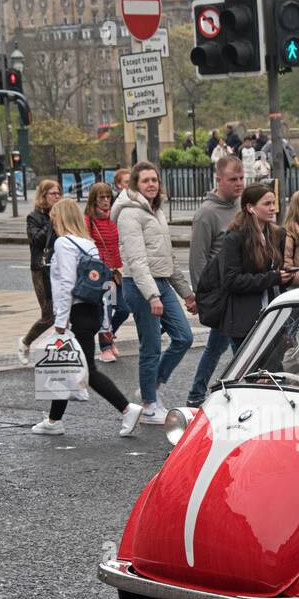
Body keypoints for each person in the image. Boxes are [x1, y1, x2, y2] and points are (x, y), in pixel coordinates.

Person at [31, 199, 143, 438]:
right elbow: (102, 284)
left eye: (53, 217)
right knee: (65, 364)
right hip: (92, 311)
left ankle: (127, 409)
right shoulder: (88, 244)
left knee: (86, 369)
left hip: (77, 313)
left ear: (60, 218)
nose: (51, 221)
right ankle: (53, 421)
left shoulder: (63, 243)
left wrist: (60, 322)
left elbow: (65, 285)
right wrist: (105, 324)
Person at [111, 161, 196, 424]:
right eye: (146, 180)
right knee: (151, 347)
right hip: (140, 286)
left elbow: (166, 257)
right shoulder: (129, 214)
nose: (151, 184)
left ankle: (152, 386)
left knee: (184, 337)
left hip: (162, 283)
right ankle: (148, 406)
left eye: (154, 180)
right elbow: (136, 261)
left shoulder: (155, 210)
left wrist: (187, 293)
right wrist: (152, 296)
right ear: (135, 184)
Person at [187, 155, 245, 407]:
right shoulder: (206, 213)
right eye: (233, 179)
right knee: (239, 347)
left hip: (238, 290)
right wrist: (202, 296)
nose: (239, 183)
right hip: (220, 294)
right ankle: (235, 393)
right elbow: (197, 258)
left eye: (242, 178)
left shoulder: (241, 207)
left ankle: (198, 394)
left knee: (221, 346)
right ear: (218, 180)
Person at [217, 184, 295, 349]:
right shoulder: (235, 237)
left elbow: (275, 275)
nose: (273, 208)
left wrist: (285, 277)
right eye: (267, 204)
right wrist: (273, 277)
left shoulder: (277, 234)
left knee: (273, 372)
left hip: (273, 317)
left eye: (273, 203)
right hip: (245, 320)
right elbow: (231, 281)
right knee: (248, 374)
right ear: (250, 207)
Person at [16, 179, 61, 365]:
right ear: (44, 196)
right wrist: (51, 221)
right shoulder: (34, 217)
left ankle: (58, 348)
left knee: (66, 311)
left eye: (59, 193)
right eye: (53, 194)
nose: (57, 197)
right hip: (41, 269)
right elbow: (36, 241)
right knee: (48, 316)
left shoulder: (61, 215)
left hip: (60, 268)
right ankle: (25, 343)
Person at [81, 183, 124, 364]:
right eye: (101, 197)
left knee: (123, 308)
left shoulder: (115, 217)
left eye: (108, 197)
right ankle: (105, 348)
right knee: (105, 310)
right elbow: (86, 245)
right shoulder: (89, 220)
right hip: (99, 272)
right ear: (94, 199)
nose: (106, 201)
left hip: (116, 271)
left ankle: (109, 334)